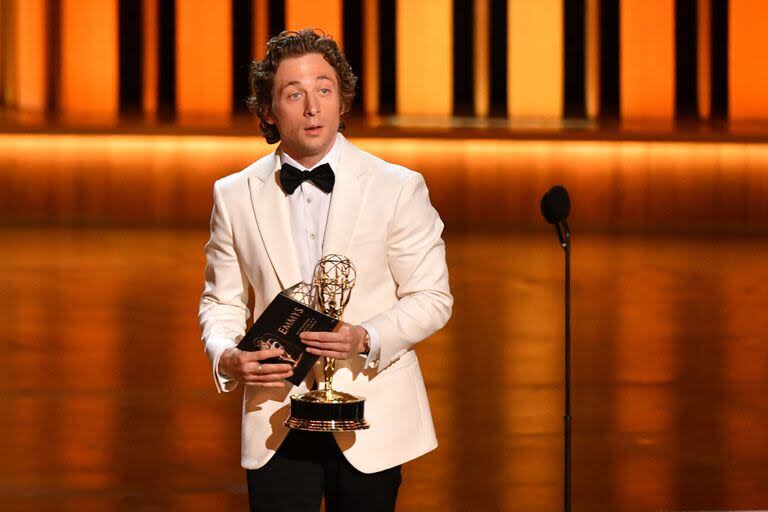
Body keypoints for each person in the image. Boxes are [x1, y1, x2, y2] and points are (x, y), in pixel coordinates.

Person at [198, 29, 452, 512]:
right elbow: (222, 300)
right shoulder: (234, 194)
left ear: (342, 100)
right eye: (294, 94)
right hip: (276, 413)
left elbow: (432, 297)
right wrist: (226, 355)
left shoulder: (398, 187)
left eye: (324, 89)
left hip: (372, 419)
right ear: (269, 111)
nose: (312, 107)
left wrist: (367, 337)